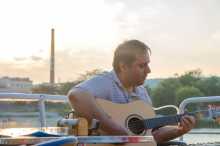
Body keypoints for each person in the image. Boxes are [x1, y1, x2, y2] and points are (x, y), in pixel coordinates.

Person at [68, 40, 196, 143]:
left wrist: (180, 130)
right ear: (123, 66)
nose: (148, 71)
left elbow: (150, 138)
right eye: (142, 66)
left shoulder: (142, 93)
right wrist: (115, 129)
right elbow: (76, 96)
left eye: (148, 64)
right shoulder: (105, 82)